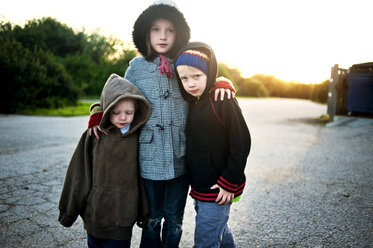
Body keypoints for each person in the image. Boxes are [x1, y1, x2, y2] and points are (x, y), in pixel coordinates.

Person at [87, 1, 235, 247]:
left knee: (175, 219)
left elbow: (203, 79)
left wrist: (221, 81)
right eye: (156, 29)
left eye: (169, 30)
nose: (163, 36)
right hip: (149, 157)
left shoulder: (185, 61)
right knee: (152, 218)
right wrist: (100, 113)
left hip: (180, 156)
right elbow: (119, 95)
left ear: (179, 34)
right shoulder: (136, 67)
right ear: (146, 32)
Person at [58, 73, 151, 248]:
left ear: (136, 109)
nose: (122, 118)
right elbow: (78, 173)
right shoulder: (94, 136)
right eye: (115, 113)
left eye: (128, 112)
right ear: (106, 110)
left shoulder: (141, 137)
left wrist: (144, 213)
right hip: (95, 216)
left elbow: (142, 177)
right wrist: (68, 213)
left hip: (123, 219)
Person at [174, 42, 251, 248]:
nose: (190, 83)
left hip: (220, 186)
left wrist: (229, 181)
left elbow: (242, 142)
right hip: (201, 185)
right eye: (184, 78)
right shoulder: (192, 102)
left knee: (206, 239)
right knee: (218, 229)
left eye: (197, 76)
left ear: (210, 73)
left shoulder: (222, 100)